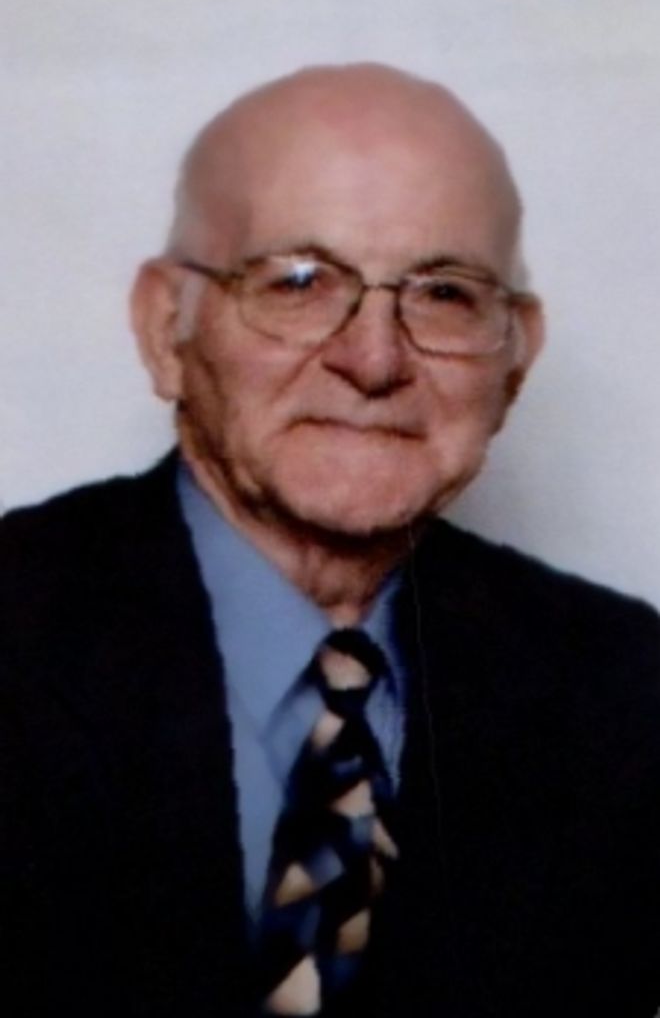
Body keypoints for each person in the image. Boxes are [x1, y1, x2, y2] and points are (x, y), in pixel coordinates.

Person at [1, 63, 659, 1018]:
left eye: (444, 294)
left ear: (516, 357)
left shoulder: (626, 689)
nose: (374, 359)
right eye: (300, 282)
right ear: (164, 327)